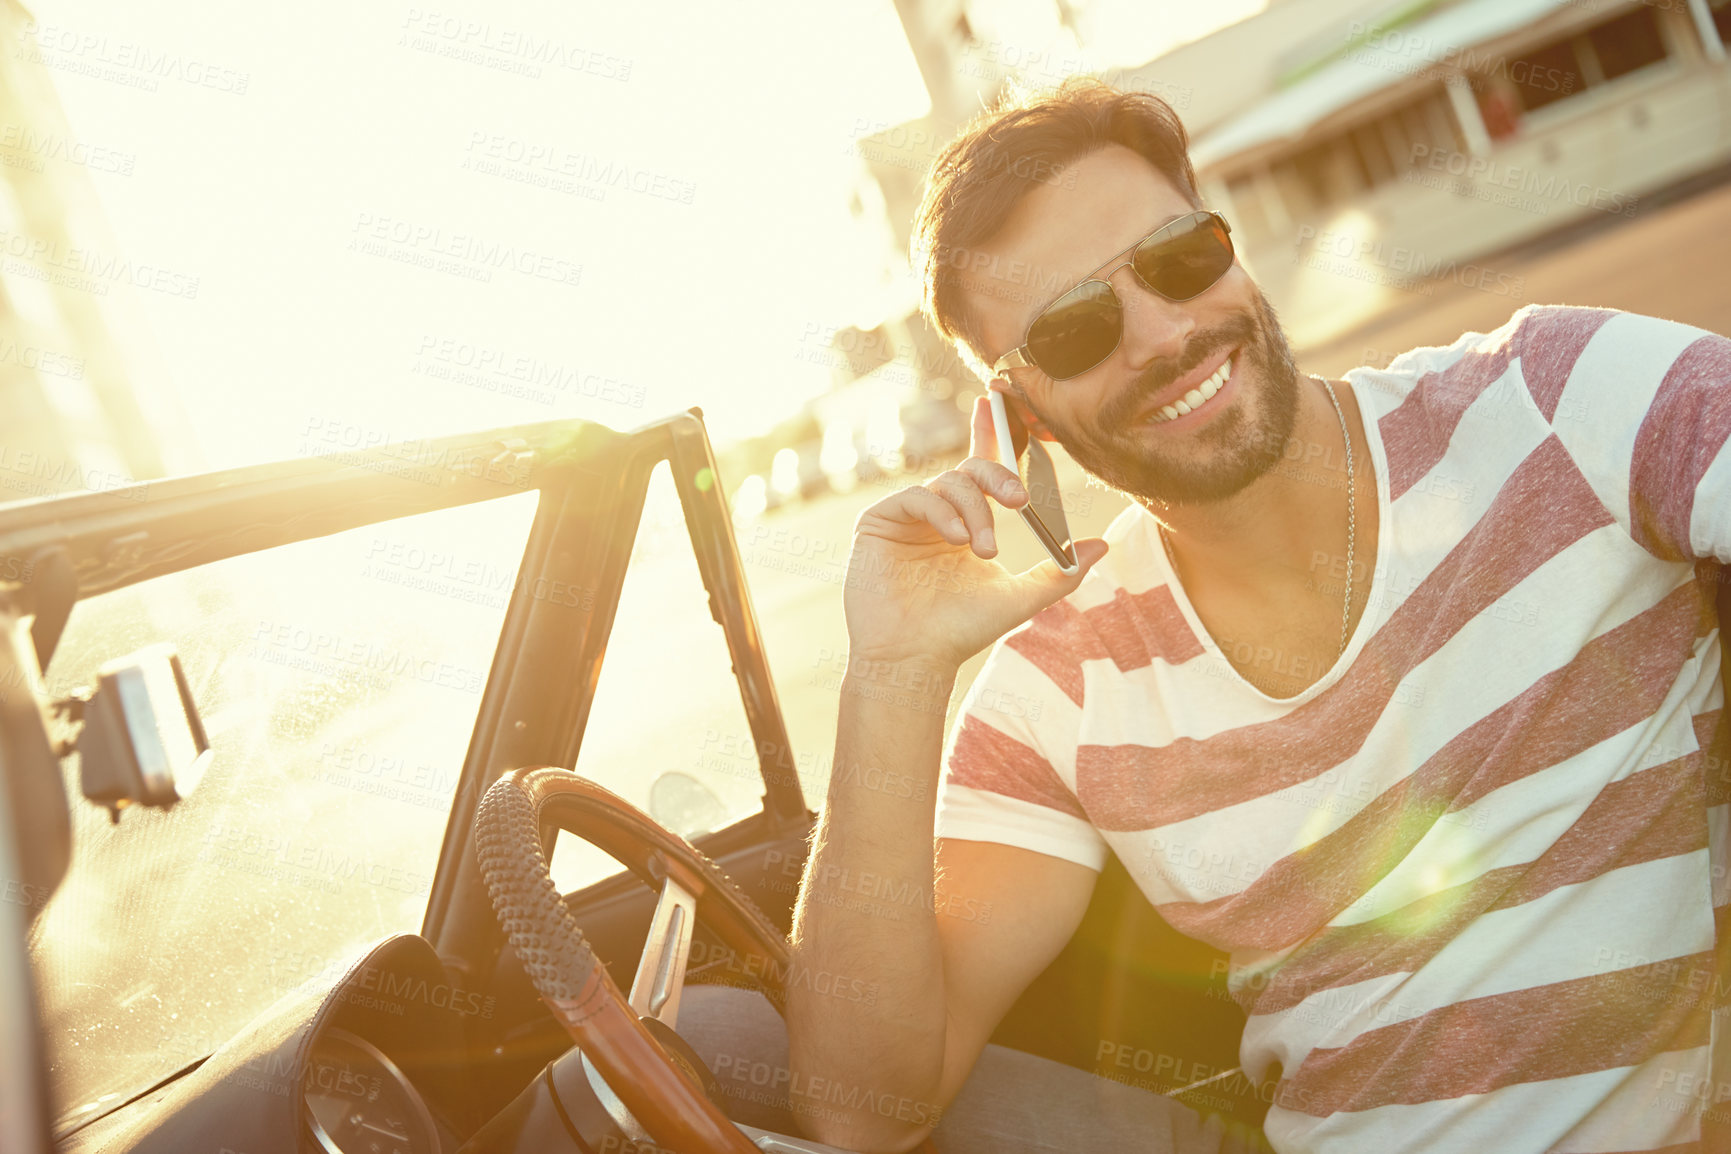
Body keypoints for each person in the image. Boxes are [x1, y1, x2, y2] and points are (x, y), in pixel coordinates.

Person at [681, 80, 1731, 1153]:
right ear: (1018, 413)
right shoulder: (1060, 685)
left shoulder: (1557, 399)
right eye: (1078, 328)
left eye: (1181, 256)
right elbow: (865, 1112)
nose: (1166, 332)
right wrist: (895, 670)